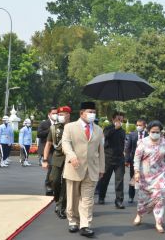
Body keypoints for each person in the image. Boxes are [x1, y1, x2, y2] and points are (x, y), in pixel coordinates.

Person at [62, 101, 105, 237]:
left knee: (88, 199)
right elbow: (66, 143)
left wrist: (102, 168)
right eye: (89, 112)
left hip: (92, 169)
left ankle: (85, 225)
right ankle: (73, 221)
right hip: (74, 167)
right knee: (73, 197)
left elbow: (101, 150)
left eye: (94, 112)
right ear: (82, 113)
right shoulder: (70, 127)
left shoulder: (99, 129)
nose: (92, 114)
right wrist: (71, 155)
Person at [133, 120, 165, 233]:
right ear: (148, 131)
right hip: (145, 176)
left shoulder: (164, 143)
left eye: (157, 132)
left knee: (159, 198)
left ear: (161, 132)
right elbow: (136, 159)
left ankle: (158, 222)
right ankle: (139, 215)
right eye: (153, 131)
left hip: (160, 175)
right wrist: (136, 172)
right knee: (142, 199)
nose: (155, 133)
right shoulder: (142, 142)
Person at [43, 106, 71, 219]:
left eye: (63, 114)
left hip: (69, 159)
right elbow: (48, 144)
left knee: (66, 183)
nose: (60, 116)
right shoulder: (54, 128)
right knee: (53, 180)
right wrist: (45, 160)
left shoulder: (74, 127)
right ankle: (58, 200)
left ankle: (61, 207)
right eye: (59, 114)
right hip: (57, 157)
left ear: (69, 115)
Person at [98, 111, 126, 208]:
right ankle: (101, 196)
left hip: (119, 159)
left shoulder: (122, 131)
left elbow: (123, 144)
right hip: (108, 158)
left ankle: (119, 200)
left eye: (121, 120)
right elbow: (106, 135)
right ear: (113, 119)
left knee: (119, 181)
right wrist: (115, 128)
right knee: (104, 179)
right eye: (118, 119)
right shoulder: (108, 128)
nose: (120, 121)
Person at [125, 118, 148, 203]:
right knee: (133, 177)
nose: (138, 127)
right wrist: (127, 160)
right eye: (137, 125)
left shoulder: (148, 135)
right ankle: (131, 196)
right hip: (134, 160)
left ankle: (145, 196)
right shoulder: (132, 135)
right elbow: (128, 148)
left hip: (146, 160)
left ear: (144, 125)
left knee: (146, 178)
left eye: (140, 125)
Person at [37, 107, 58, 195]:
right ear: (49, 114)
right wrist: (51, 129)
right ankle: (48, 184)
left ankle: (54, 184)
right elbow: (39, 134)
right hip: (46, 149)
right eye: (53, 113)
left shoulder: (60, 124)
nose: (55, 115)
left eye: (56, 113)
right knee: (51, 166)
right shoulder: (44, 123)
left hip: (56, 149)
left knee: (56, 167)